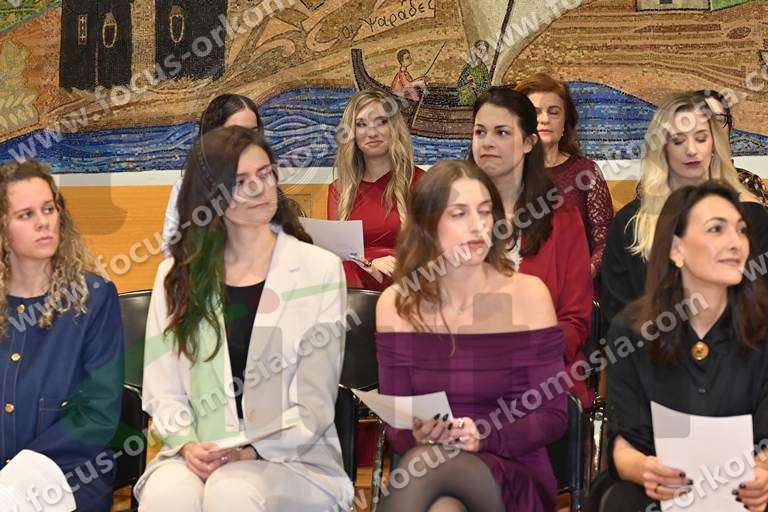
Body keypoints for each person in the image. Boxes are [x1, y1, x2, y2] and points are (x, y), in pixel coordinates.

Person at [137, 127, 353, 511]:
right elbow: (162, 389)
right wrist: (188, 444)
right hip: (197, 450)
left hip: (293, 459)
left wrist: (249, 451)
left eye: (265, 174)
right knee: (166, 495)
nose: (259, 188)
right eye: (240, 181)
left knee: (231, 490)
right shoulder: (176, 276)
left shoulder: (319, 270)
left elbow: (315, 402)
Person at [377, 159, 567, 511]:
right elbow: (396, 424)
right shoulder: (396, 305)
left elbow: (553, 416)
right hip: (432, 470)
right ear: (427, 224)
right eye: (459, 214)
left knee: (425, 470)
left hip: (512, 468)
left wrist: (484, 435)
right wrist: (416, 433)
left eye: (485, 211)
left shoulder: (527, 295)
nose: (478, 226)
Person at [597, 182, 768, 511]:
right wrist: (644, 470)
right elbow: (625, 441)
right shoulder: (631, 331)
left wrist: (762, 473)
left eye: (741, 230)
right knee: (619, 501)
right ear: (677, 249)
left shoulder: (762, 327)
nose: (735, 242)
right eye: (716, 229)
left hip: (746, 486)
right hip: (661, 487)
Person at [0, 159, 124, 511]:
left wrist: (15, 478)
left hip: (70, 473)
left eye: (49, 209)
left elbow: (98, 413)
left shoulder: (94, 298)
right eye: (26, 214)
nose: (43, 222)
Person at [471, 87, 594, 407]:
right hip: (466, 375)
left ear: (528, 143)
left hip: (540, 380)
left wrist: (524, 352)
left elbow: (575, 322)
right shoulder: (451, 218)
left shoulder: (563, 220)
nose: (487, 142)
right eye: (480, 132)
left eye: (501, 132)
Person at [601, 91, 768, 325]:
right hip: (652, 344)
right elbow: (618, 312)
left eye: (700, 138)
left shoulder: (750, 215)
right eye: (678, 140)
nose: (691, 150)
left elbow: (759, 305)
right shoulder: (630, 223)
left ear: (714, 144)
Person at [517, 73, 614, 278]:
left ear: (565, 122)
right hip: (518, 285)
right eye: (535, 112)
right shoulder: (508, 172)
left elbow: (604, 244)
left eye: (554, 112)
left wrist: (579, 277)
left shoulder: (586, 173)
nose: (544, 119)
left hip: (574, 286)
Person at [328, 89, 424, 291]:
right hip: (354, 292)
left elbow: (432, 250)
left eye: (381, 122)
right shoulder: (339, 190)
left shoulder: (420, 182)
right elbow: (335, 256)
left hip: (405, 289)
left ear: (394, 127)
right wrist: (370, 264)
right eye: (361, 124)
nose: (372, 133)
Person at [162, 93, 263, 255]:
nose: (247, 141)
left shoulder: (264, 181)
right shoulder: (188, 186)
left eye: (253, 132)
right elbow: (171, 246)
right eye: (236, 132)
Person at [696, 89, 768, 204]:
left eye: (718, 119)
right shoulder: (673, 182)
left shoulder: (748, 183)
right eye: (702, 119)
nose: (712, 127)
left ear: (730, 126)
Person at [456, 40, 491, 106]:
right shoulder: (469, 67)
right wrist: (466, 79)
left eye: (484, 50)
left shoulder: (483, 68)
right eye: (479, 49)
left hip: (479, 100)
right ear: (475, 49)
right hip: (466, 100)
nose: (481, 52)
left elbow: (488, 86)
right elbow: (459, 84)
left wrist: (477, 87)